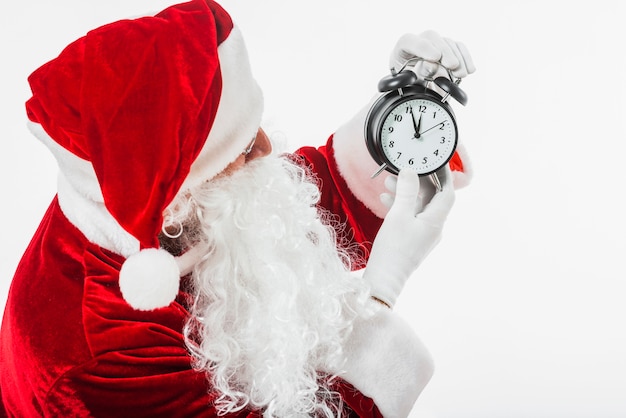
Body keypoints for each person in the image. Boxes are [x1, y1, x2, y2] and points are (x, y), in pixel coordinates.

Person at [0, 0, 475, 416]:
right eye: (242, 147)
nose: (267, 147)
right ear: (176, 199)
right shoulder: (97, 356)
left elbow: (283, 212)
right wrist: (378, 297)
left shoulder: (170, 208)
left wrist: (396, 114)